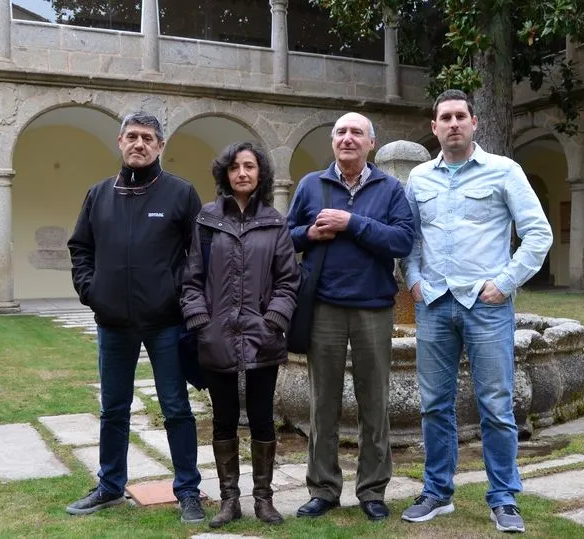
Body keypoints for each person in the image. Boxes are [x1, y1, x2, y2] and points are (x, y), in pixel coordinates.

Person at [400, 89, 553, 533]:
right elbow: (409, 241)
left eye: (460, 116)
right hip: (434, 305)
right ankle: (437, 492)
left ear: (474, 122)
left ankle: (503, 498)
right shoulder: (419, 179)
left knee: (497, 405)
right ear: (434, 127)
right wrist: (413, 283)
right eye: (444, 117)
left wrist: (504, 284)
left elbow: (537, 234)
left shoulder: (505, 171)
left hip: (486, 307)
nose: (452, 124)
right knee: (434, 405)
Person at [66, 111, 205, 523]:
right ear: (119, 142)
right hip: (113, 323)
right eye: (132, 136)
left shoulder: (181, 193)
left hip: (165, 322)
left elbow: (197, 255)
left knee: (176, 407)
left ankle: (188, 491)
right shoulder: (98, 194)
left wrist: (176, 294)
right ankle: (110, 487)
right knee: (113, 408)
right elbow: (80, 248)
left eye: (147, 137)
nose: (139, 144)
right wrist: (92, 292)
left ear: (161, 145)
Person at [286, 112, 415, 522]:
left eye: (356, 132)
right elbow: (286, 236)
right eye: (340, 132)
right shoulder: (311, 185)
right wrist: (310, 234)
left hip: (373, 307)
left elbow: (402, 240)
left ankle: (372, 490)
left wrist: (352, 222)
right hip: (322, 305)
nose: (347, 138)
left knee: (373, 402)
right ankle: (323, 489)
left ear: (371, 143)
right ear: (332, 142)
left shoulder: (391, 188)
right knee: (321, 403)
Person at [180, 141, 300, 528]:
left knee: (263, 419)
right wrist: (201, 322)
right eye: (234, 167)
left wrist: (274, 321)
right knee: (224, 419)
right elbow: (191, 279)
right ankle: (229, 501)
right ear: (225, 174)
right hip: (217, 337)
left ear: (260, 173)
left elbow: (288, 280)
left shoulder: (275, 221)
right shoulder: (208, 220)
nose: (242, 173)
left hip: (263, 337)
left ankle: (264, 500)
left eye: (249, 166)